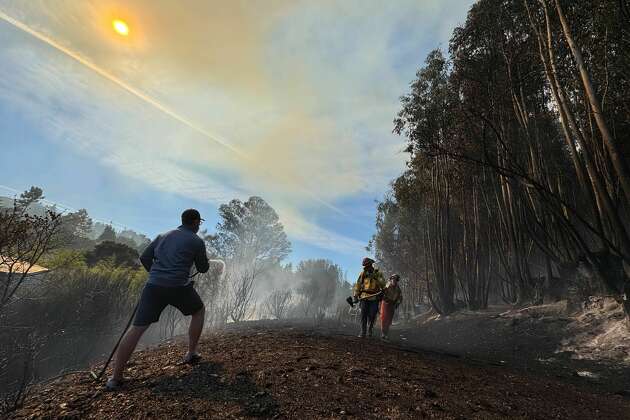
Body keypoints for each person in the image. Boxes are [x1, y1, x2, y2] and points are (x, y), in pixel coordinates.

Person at [106, 209, 210, 390]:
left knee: (137, 328)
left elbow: (145, 257)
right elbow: (202, 268)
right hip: (179, 287)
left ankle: (115, 378)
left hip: (153, 287)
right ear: (194, 222)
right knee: (198, 311)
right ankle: (191, 353)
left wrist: (156, 274)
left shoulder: (163, 235)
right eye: (199, 223)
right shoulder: (196, 241)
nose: (199, 226)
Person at [353, 257, 386, 338]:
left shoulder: (378, 273)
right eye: (365, 266)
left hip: (374, 297)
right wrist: (355, 296)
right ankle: (363, 331)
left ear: (371, 265)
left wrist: (376, 278)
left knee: (372, 314)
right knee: (363, 314)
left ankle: (370, 329)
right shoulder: (363, 273)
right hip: (364, 296)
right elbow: (358, 285)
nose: (366, 268)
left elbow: (383, 284)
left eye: (368, 266)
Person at [380, 274, 403, 341]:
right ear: (391, 279)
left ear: (397, 280)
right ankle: (383, 333)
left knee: (389, 319)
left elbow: (400, 298)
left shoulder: (398, 289)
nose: (394, 280)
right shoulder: (387, 285)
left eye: (395, 279)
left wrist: (397, 304)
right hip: (385, 303)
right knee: (384, 318)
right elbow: (382, 292)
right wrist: (384, 297)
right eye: (393, 279)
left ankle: (386, 333)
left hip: (392, 304)